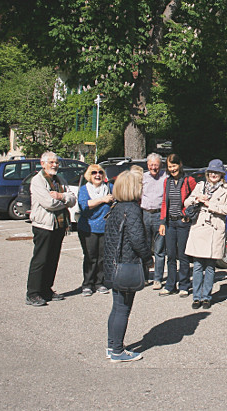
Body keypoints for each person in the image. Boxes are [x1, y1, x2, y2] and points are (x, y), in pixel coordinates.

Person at [103, 168, 154, 362]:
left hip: (114, 264)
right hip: (127, 264)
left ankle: (112, 345)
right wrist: (148, 258)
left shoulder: (116, 208)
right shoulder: (132, 209)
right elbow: (138, 240)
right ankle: (117, 350)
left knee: (117, 307)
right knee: (123, 308)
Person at [25, 151, 77, 306]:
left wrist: (61, 196)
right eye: (51, 162)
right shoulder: (38, 180)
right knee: (40, 259)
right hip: (43, 225)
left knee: (53, 259)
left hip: (59, 225)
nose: (54, 165)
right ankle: (33, 293)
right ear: (43, 164)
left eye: (56, 163)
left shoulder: (59, 179)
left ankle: (46, 290)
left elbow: (72, 199)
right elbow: (49, 203)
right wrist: (64, 200)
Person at [184, 159, 227, 310]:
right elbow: (186, 202)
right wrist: (197, 199)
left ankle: (207, 296)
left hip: (214, 229)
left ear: (221, 174)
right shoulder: (200, 186)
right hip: (199, 227)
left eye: (217, 172)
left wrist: (209, 205)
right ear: (207, 173)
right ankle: (196, 297)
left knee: (210, 266)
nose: (214, 174)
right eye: (211, 172)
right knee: (198, 265)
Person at [158, 154, 197, 297]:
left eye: (174, 165)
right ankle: (170, 285)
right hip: (169, 222)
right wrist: (162, 222)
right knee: (171, 255)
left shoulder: (188, 180)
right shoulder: (167, 182)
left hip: (182, 222)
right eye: (170, 166)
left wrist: (187, 214)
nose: (172, 169)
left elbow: (195, 200)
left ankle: (184, 285)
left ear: (179, 165)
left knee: (183, 256)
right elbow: (164, 202)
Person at [77, 164, 114, 296]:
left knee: (102, 257)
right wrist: (103, 199)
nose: (97, 175)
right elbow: (85, 205)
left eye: (100, 172)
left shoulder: (109, 188)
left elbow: (118, 198)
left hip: (105, 228)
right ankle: (87, 284)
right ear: (89, 175)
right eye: (94, 173)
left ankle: (100, 282)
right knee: (90, 257)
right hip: (88, 228)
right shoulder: (84, 189)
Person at [141, 153, 167, 290]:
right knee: (144, 248)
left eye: (156, 165)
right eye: (151, 165)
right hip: (145, 214)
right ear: (147, 165)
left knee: (159, 250)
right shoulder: (143, 178)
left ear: (160, 165)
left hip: (159, 215)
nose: (153, 167)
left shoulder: (165, 178)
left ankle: (157, 279)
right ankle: (144, 277)